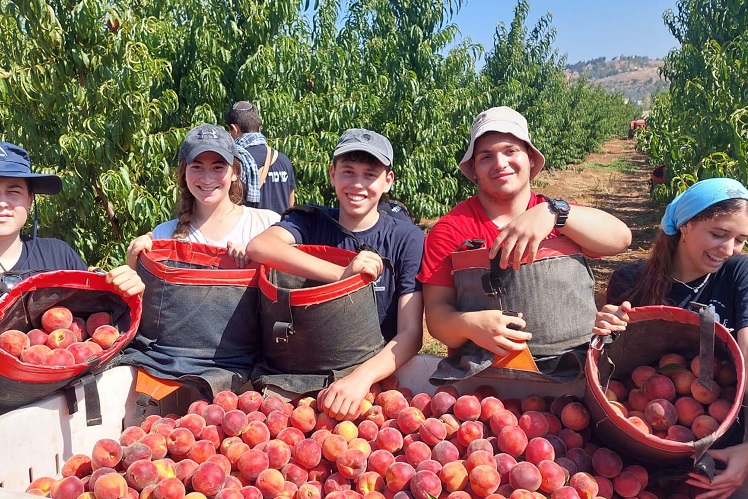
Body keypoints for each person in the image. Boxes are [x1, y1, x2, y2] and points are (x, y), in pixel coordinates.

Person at [418, 106, 631, 370]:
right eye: (486, 157)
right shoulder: (451, 230)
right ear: (473, 169)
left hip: (571, 371)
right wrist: (469, 325)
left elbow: (621, 238)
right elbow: (437, 319)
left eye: (510, 151)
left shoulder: (559, 218)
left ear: (530, 158)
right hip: (487, 380)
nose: (500, 164)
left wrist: (555, 213)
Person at [246, 128, 425, 421]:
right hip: (302, 374)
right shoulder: (311, 223)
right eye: (348, 172)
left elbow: (411, 333)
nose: (357, 184)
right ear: (332, 174)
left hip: (371, 379)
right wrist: (342, 273)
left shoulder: (406, 238)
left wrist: (361, 379)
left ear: (388, 181)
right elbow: (260, 246)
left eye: (370, 174)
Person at [593, 177, 748, 499]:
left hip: (723, 446)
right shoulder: (631, 281)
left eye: (741, 239)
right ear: (687, 225)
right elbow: (616, 372)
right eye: (719, 234)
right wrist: (605, 331)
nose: (729, 249)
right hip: (643, 447)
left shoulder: (738, 272)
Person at [126, 123, 280, 268]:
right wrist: (135, 262)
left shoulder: (268, 225)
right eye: (197, 167)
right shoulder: (163, 235)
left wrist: (259, 257)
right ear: (184, 174)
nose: (207, 179)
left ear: (235, 173)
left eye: (218, 167)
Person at [0, 141, 143, 297]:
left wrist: (126, 293)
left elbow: (99, 316)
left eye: (13, 192)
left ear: (29, 199)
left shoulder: (59, 257)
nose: (2, 203)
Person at [226, 101, 296, 214]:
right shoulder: (283, 159)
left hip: (253, 230)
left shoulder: (236, 160)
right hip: (281, 229)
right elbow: (290, 203)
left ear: (235, 129)